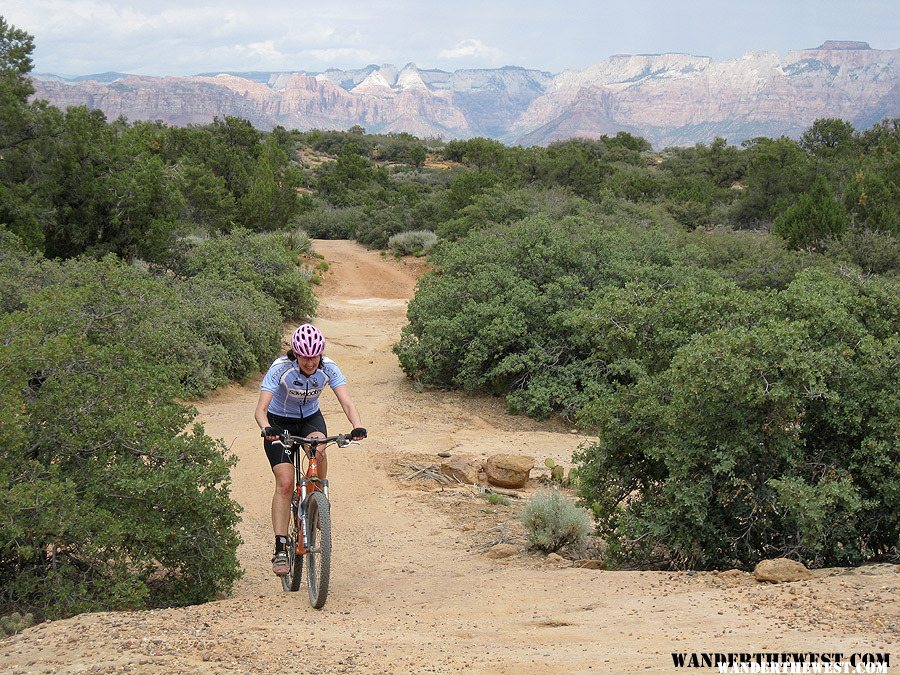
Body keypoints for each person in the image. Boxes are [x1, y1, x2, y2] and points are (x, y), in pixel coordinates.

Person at [255, 323, 366, 576]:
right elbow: (260, 409)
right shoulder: (280, 368)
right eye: (305, 357)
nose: (309, 362)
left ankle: (317, 498)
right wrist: (266, 428)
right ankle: (281, 547)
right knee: (284, 482)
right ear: (296, 353)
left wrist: (357, 425)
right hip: (278, 422)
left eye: (314, 356)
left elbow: (347, 401)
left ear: (320, 353)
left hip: (310, 419)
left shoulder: (329, 367)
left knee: (319, 448)